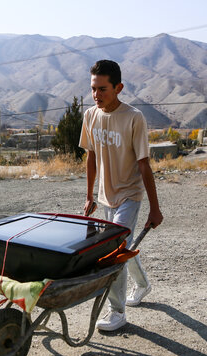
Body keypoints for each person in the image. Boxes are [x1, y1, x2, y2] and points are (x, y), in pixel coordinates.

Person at [79, 59, 163, 331]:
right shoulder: (90, 116)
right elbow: (91, 156)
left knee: (114, 251)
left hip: (129, 194)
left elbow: (144, 164)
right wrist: (90, 194)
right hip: (105, 196)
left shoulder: (133, 117)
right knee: (121, 246)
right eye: (93, 89)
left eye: (102, 89)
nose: (96, 95)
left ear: (118, 88)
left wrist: (155, 208)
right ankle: (142, 284)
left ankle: (117, 312)